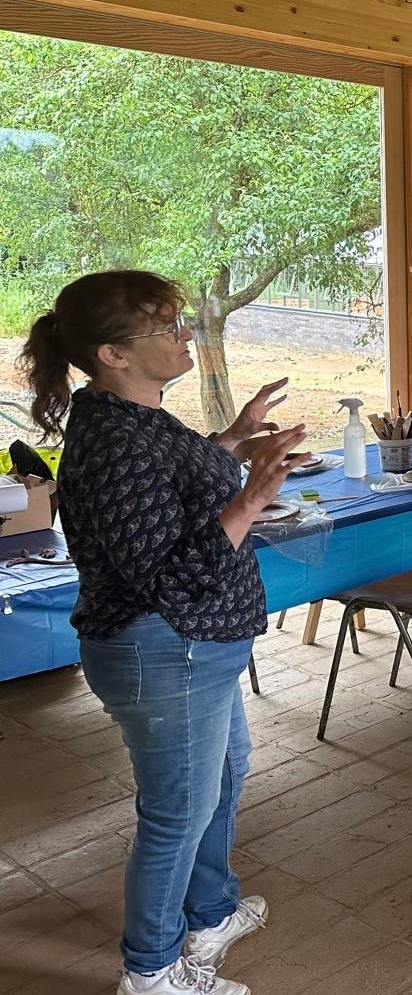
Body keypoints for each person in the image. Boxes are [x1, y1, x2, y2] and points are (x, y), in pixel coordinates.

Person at [20, 271, 309, 995]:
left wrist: (233, 441)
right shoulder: (114, 440)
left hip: (193, 645)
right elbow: (168, 572)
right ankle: (151, 970)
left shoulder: (135, 417)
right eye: (167, 328)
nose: (185, 337)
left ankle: (208, 915)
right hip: (164, 647)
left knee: (221, 779)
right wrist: (248, 498)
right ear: (115, 353)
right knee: (177, 812)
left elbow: (165, 490)